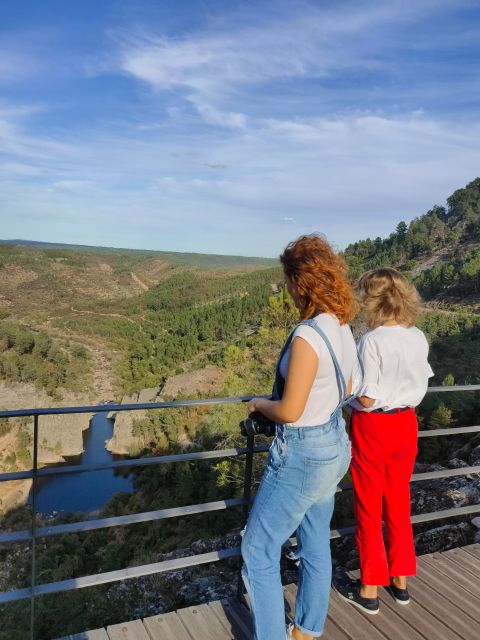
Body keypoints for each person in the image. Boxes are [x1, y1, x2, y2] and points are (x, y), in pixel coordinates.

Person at [241, 234, 362, 640]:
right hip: (334, 446)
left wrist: (259, 404)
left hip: (302, 454)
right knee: (314, 541)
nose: (287, 289)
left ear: (301, 282)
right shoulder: (341, 326)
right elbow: (349, 388)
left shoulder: (309, 336)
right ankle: (307, 628)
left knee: (257, 550)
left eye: (289, 280)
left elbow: (289, 410)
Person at [336, 267, 434, 614]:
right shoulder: (417, 336)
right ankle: (401, 581)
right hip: (406, 424)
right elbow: (420, 384)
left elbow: (366, 398)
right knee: (397, 502)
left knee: (368, 505)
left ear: (372, 300)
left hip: (373, 427)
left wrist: (343, 398)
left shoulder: (372, 341)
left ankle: (369, 588)